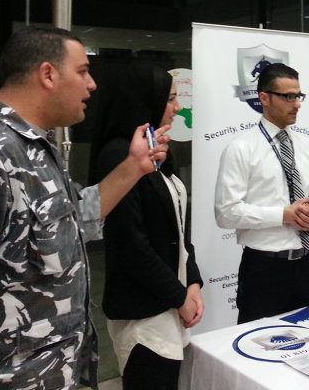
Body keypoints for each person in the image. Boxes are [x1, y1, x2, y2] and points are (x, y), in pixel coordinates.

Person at [0, 26, 168, 390]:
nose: (92, 84)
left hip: (55, 374)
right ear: (48, 74)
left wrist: (134, 167)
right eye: (82, 71)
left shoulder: (32, 147)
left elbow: (78, 219)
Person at [90, 62, 204, 390]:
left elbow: (179, 228)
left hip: (170, 302)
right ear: (144, 102)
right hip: (144, 311)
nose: (177, 107)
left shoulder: (158, 149)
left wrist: (192, 282)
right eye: (170, 99)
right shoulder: (119, 157)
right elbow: (130, 244)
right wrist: (179, 296)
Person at [214, 62, 309, 324]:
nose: (297, 104)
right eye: (288, 97)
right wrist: (283, 215)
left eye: (298, 96)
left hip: (307, 264)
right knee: (256, 343)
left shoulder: (305, 145)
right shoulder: (241, 149)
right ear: (264, 98)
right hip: (264, 270)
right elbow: (226, 213)